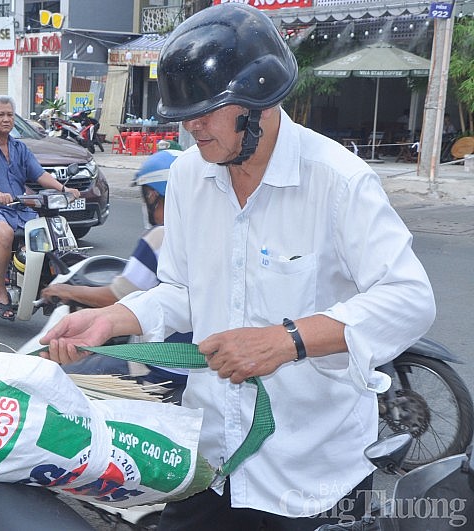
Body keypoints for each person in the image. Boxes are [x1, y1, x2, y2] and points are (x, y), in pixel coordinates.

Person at [40, 4, 435, 530]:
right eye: (186, 113)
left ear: (259, 103)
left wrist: (286, 339)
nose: (191, 126)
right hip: (214, 462)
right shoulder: (187, 177)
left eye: (207, 111)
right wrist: (114, 319)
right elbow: (182, 289)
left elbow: (409, 298)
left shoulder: (337, 180)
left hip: (312, 475)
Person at [41, 149, 189, 402]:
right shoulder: (200, 235)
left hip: (156, 370)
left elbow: (115, 296)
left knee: (62, 381)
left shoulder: (160, 238)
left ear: (153, 194)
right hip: (196, 371)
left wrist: (64, 290)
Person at [0, 94, 80, 320]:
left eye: (10, 115)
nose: (6, 119)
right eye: (1, 115)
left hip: (20, 208)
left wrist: (64, 189)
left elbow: (39, 175)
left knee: (53, 233)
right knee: (5, 234)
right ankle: (0, 289)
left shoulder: (19, 148)